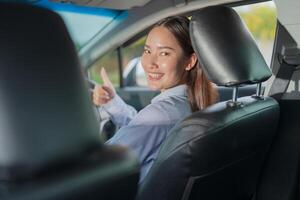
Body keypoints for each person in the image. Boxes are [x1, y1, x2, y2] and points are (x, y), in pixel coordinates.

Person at [93, 16, 218, 182]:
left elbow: (98, 169)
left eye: (164, 53)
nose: (150, 63)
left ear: (190, 61)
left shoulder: (160, 115)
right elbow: (145, 130)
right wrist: (112, 102)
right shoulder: (192, 102)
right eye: (147, 51)